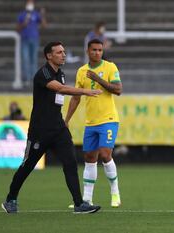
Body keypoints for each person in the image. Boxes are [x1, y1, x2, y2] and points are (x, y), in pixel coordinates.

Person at [1, 41, 102, 214]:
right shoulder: (44, 73)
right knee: (27, 165)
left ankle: (79, 204)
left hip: (58, 128)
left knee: (70, 162)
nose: (63, 55)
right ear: (49, 56)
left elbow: (59, 94)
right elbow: (61, 89)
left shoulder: (60, 73)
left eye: (64, 51)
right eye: (59, 52)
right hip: (40, 130)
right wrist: (85, 91)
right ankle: (10, 199)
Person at [65, 39, 122, 208]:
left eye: (100, 50)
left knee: (105, 154)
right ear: (87, 51)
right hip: (91, 122)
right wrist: (66, 119)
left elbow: (118, 90)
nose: (97, 53)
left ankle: (115, 193)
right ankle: (87, 199)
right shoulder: (81, 71)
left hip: (109, 119)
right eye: (94, 50)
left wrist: (98, 79)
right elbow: (76, 97)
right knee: (89, 158)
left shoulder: (110, 67)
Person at [17, 0, 47, 84]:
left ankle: (33, 78)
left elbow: (44, 25)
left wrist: (42, 15)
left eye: (31, 3)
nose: (30, 4)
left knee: (33, 59)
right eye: (28, 3)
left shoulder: (36, 14)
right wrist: (24, 23)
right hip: (25, 39)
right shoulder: (22, 14)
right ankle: (26, 78)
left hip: (34, 39)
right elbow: (18, 29)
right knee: (25, 59)